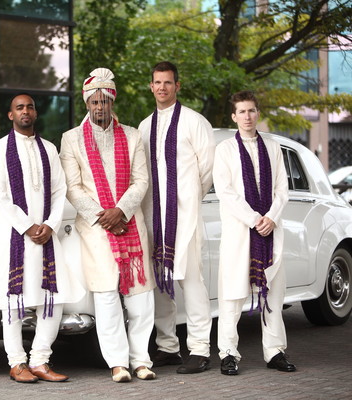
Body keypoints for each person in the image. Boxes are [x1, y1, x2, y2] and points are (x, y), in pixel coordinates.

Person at [60, 68, 156, 383]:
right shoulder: (71, 139)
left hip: (129, 224)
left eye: (105, 101)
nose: (100, 107)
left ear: (112, 101)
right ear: (87, 103)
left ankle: (141, 359)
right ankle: (117, 362)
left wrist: (122, 211)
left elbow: (142, 180)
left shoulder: (131, 135)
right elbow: (72, 188)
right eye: (94, 102)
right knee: (106, 295)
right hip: (96, 229)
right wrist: (103, 215)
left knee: (140, 296)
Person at [0, 93, 84, 384]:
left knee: (53, 299)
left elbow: (58, 191)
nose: (25, 111)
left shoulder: (49, 149)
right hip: (14, 236)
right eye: (19, 107)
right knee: (13, 301)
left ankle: (40, 359)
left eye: (29, 106)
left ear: (35, 113)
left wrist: (51, 225)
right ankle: (16, 363)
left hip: (45, 237)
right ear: (10, 115)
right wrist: (28, 225)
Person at [138, 61, 215, 374]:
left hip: (185, 215)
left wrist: (187, 199)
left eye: (167, 83)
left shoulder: (195, 122)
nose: (162, 88)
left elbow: (207, 169)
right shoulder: (144, 126)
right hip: (153, 215)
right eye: (157, 82)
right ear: (151, 86)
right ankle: (168, 347)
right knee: (159, 281)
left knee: (191, 280)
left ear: (177, 86)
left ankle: (199, 349)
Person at [213, 90, 296, 375]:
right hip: (240, 231)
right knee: (232, 295)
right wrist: (254, 219)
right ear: (233, 117)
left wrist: (271, 218)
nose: (247, 117)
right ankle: (228, 353)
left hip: (270, 232)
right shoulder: (225, 149)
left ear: (257, 113)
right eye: (242, 112)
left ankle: (275, 352)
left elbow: (282, 190)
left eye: (251, 111)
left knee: (273, 292)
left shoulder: (272, 147)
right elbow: (226, 192)